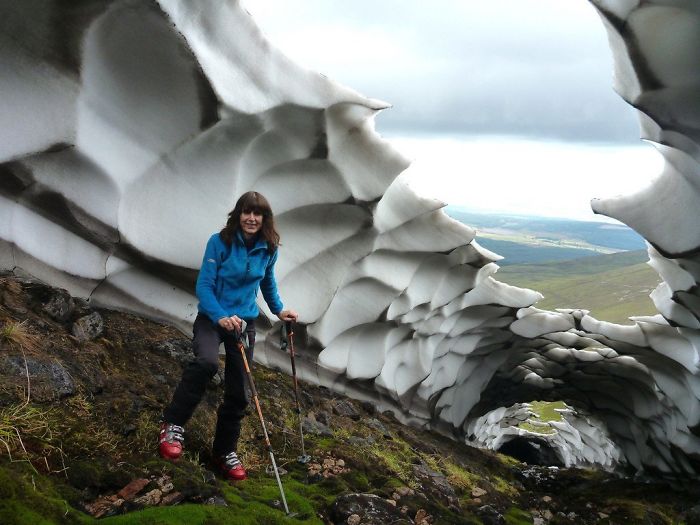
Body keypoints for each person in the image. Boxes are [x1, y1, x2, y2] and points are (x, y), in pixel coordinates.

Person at [158, 191, 298, 481]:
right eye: (246, 212)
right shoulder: (219, 242)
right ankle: (173, 426)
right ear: (238, 214)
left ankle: (223, 451)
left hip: (244, 325)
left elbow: (267, 283)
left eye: (257, 213)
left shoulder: (268, 248)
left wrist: (279, 310)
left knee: (239, 390)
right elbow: (205, 286)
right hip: (212, 320)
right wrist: (220, 315)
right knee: (206, 363)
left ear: (264, 218)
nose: (251, 218)